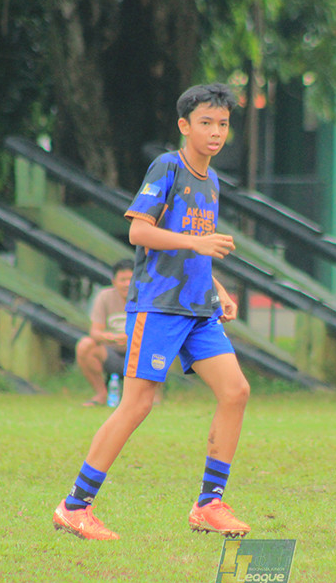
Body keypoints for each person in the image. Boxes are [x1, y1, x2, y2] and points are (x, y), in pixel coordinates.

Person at [53, 83, 252, 541]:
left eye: (222, 124)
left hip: (198, 309)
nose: (216, 132)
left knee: (236, 391)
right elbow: (140, 233)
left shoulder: (212, 181)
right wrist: (196, 244)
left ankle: (209, 504)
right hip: (160, 307)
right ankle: (74, 506)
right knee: (138, 403)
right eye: (206, 123)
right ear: (184, 126)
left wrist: (217, 287)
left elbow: (193, 244)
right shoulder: (168, 167)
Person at [76, 258, 134, 406]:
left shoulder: (146, 298)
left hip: (137, 352)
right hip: (111, 351)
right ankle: (101, 394)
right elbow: (95, 332)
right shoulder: (104, 296)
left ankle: (153, 396)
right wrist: (112, 338)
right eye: (123, 280)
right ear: (114, 281)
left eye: (131, 279)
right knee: (85, 345)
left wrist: (131, 338)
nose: (127, 284)